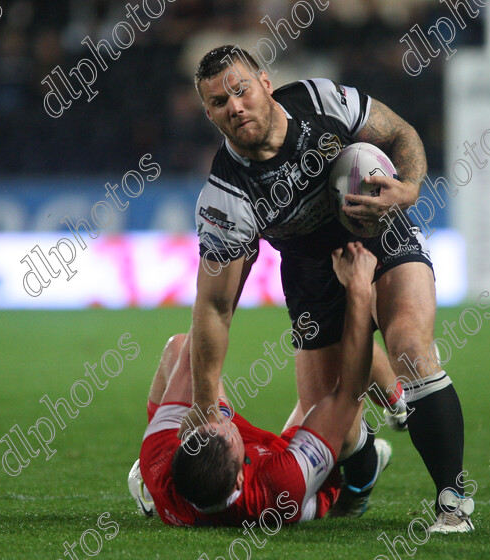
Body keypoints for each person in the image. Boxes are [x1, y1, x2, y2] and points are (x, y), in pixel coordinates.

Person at [189, 45, 473, 532]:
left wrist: (408, 189)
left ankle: (453, 502)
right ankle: (365, 470)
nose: (234, 106)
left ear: (264, 82)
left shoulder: (322, 102)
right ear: (210, 114)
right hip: (309, 273)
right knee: (333, 426)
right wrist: (204, 403)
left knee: (409, 345)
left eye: (240, 90)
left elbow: (400, 133)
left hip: (378, 234)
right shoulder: (225, 196)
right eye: (218, 102)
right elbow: (215, 308)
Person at [132, 243, 391, 526]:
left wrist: (237, 256)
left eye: (201, 431)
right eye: (225, 432)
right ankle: (362, 475)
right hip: (304, 472)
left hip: (209, 469)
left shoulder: (158, 462)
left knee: (179, 348)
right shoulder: (283, 483)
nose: (215, 421)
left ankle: (392, 395)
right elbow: (349, 390)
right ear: (241, 479)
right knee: (337, 398)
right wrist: (359, 290)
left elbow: (197, 340)